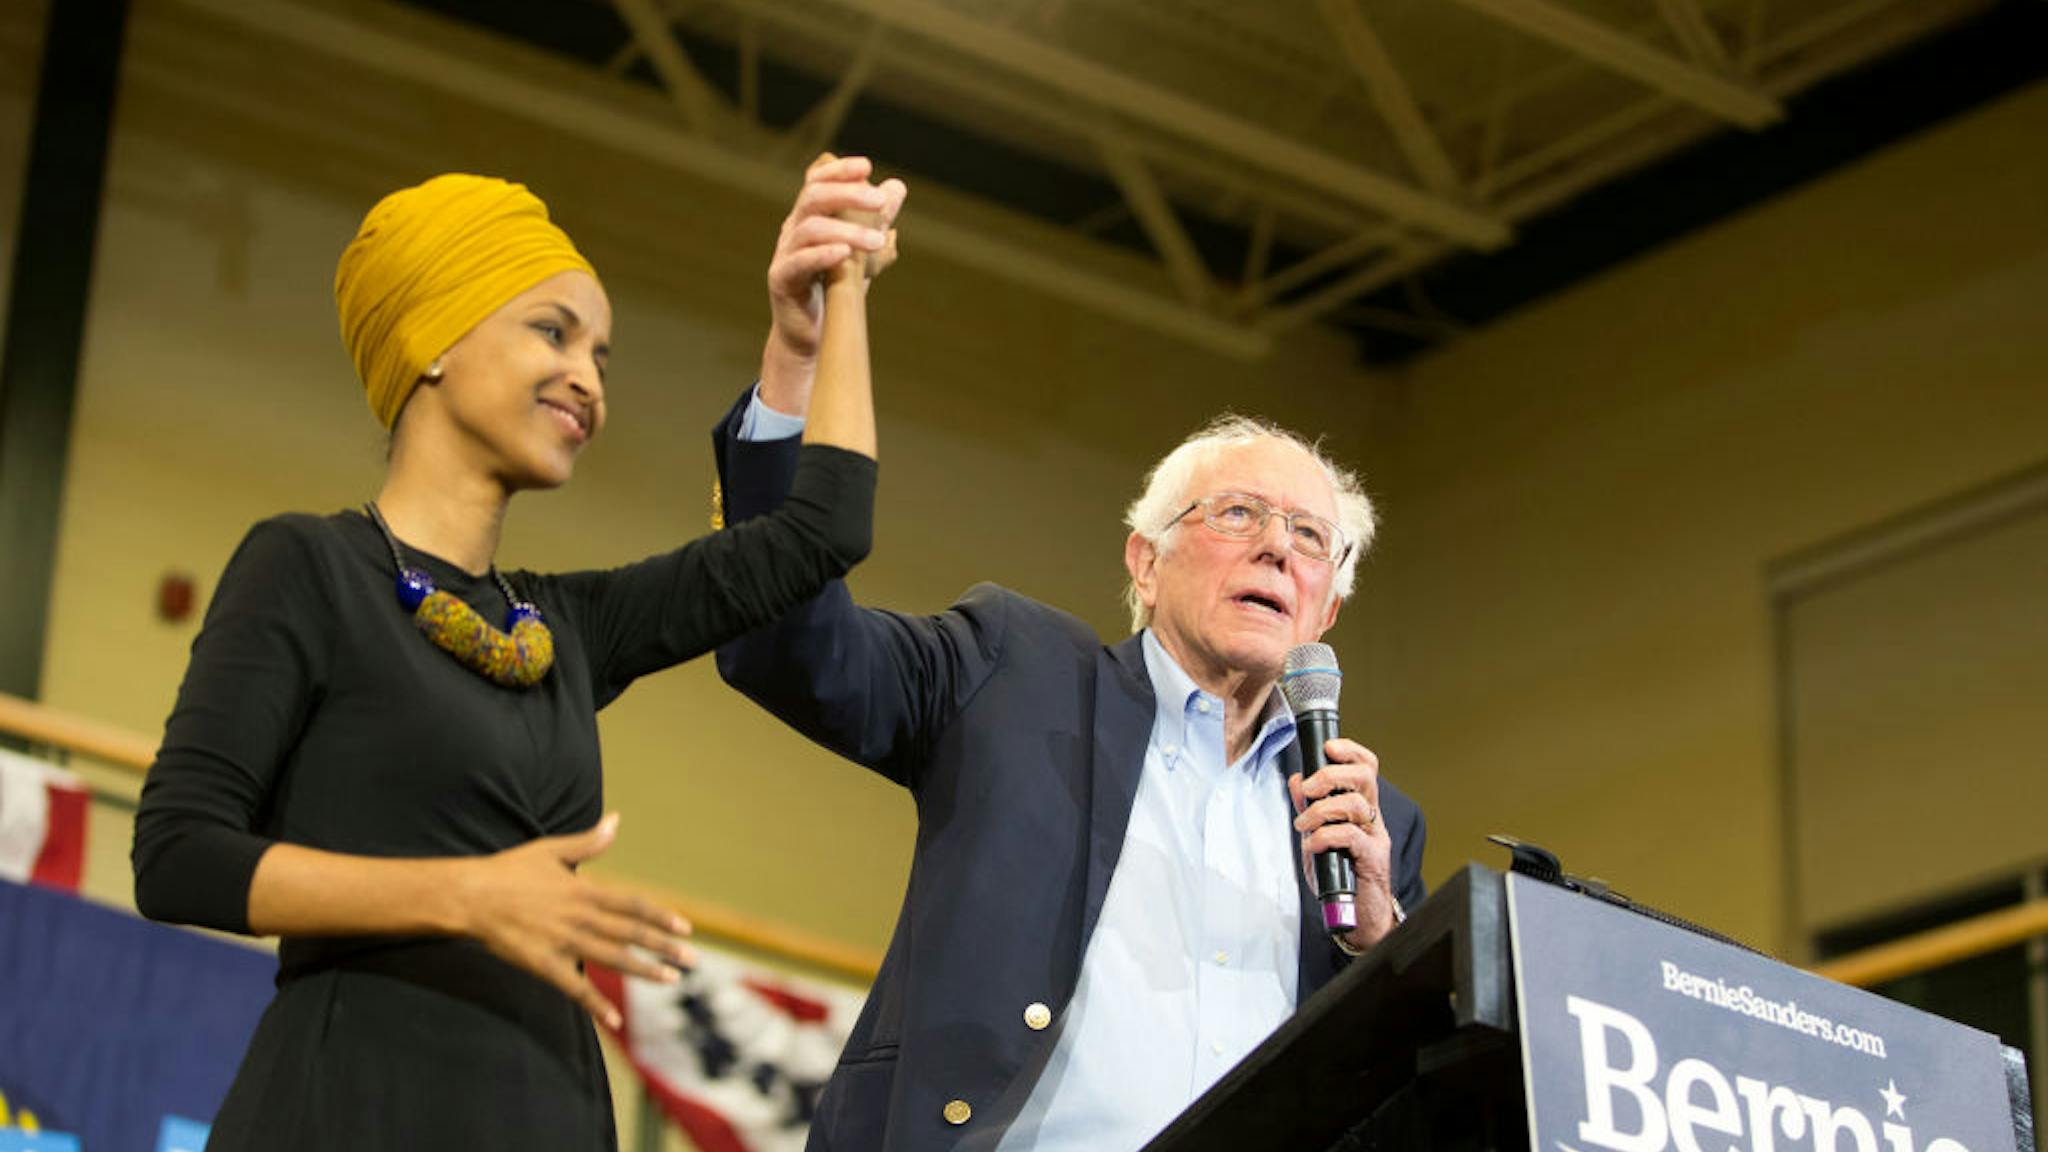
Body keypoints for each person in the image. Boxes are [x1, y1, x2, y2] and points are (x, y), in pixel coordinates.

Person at [130, 159, 905, 1149]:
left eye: (603, 357)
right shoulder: (308, 568)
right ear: (433, 342)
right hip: (349, 1110)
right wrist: (464, 894)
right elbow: (177, 856)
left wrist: (820, 314)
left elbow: (820, 533)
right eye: (553, 331)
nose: (588, 378)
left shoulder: (563, 627)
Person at [713, 163, 1426, 1152]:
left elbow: (1412, 1099)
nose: (1276, 548)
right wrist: (798, 361)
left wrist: (1378, 944)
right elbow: (789, 650)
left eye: (1310, 539)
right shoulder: (1017, 672)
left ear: (1329, 604)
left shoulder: (1373, 829)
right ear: (1144, 559)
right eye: (1237, 515)